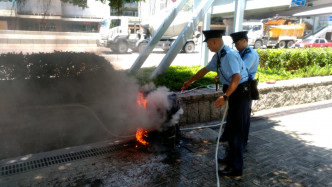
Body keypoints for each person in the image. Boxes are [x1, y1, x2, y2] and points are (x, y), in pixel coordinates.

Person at [181, 30, 250, 176]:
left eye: (207, 44)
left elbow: (236, 77)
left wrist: (225, 96)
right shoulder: (219, 55)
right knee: (231, 130)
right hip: (234, 94)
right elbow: (205, 70)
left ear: (214, 41)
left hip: (240, 94)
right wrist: (189, 82)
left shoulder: (229, 55)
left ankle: (236, 168)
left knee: (236, 132)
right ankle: (230, 158)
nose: (207, 47)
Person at [230, 31, 259, 147]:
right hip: (240, 88)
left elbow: (240, 71)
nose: (236, 45)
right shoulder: (241, 53)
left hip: (245, 89)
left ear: (244, 41)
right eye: (235, 44)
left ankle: (242, 143)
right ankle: (236, 141)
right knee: (236, 117)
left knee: (242, 118)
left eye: (237, 43)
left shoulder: (250, 54)